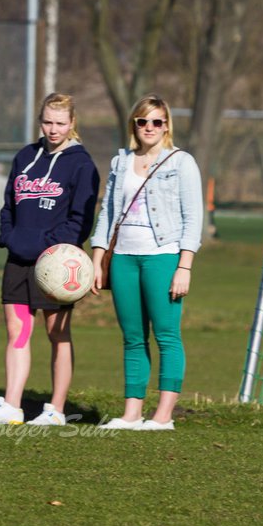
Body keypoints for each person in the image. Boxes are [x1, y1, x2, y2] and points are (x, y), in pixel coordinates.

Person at [0, 93, 98, 427]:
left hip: (56, 264)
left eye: (60, 123)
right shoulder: (27, 156)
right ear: (39, 121)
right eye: (47, 122)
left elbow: (79, 220)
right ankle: (11, 406)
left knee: (57, 333)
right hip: (18, 259)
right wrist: (8, 237)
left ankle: (55, 410)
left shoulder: (81, 164)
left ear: (72, 124)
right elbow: (8, 204)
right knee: (17, 331)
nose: (53, 129)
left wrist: (48, 245)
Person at [91, 95, 203, 431]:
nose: (149, 128)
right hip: (124, 257)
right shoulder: (121, 161)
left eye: (156, 121)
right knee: (133, 337)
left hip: (163, 256)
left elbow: (192, 217)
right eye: (143, 121)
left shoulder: (181, 162)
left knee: (167, 335)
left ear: (166, 125)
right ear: (134, 126)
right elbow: (108, 212)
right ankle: (131, 413)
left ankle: (163, 416)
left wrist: (184, 266)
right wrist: (97, 259)